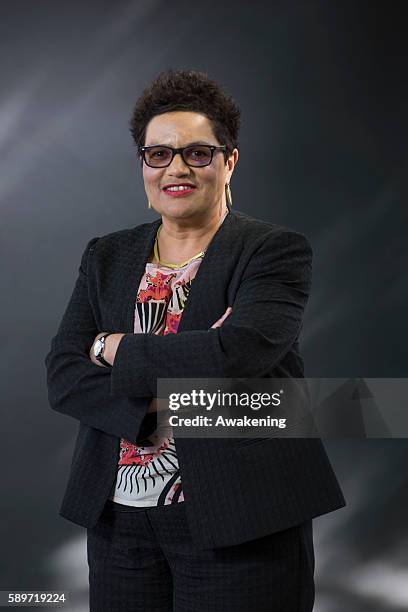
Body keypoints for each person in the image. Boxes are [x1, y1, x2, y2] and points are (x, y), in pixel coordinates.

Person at [45, 69, 346, 611]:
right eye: (158, 154)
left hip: (242, 519)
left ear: (229, 161)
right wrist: (157, 403)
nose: (176, 168)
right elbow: (64, 375)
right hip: (120, 526)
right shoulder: (106, 256)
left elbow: (239, 353)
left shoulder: (271, 251)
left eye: (197, 153)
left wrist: (109, 348)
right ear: (143, 164)